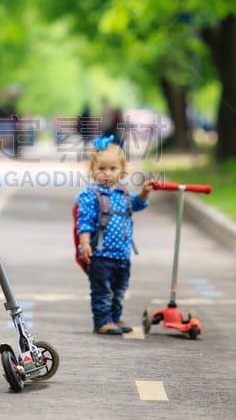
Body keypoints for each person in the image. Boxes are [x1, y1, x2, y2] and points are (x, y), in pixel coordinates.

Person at [75, 135, 152, 335]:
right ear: (93, 171)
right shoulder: (91, 195)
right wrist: (85, 244)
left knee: (119, 291)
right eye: (101, 169)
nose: (107, 174)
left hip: (122, 254)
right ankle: (102, 321)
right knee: (103, 291)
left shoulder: (124, 194)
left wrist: (144, 193)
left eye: (112, 169)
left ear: (122, 171)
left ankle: (115, 319)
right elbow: (84, 222)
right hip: (101, 254)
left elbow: (137, 204)